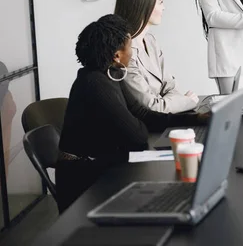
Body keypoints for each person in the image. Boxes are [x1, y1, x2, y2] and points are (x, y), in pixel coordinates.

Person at [57, 14, 208, 212]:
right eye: (130, 47)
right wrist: (137, 122)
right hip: (84, 182)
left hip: (103, 166)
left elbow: (142, 114)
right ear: (117, 55)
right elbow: (137, 137)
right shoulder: (94, 84)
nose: (133, 54)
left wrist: (196, 118)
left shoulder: (109, 75)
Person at [115, 0, 199, 113]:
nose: (164, 8)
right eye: (160, 2)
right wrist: (186, 101)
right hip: (143, 127)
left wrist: (168, 102)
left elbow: (171, 86)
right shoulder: (123, 52)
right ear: (144, 5)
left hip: (163, 120)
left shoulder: (150, 40)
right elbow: (152, 107)